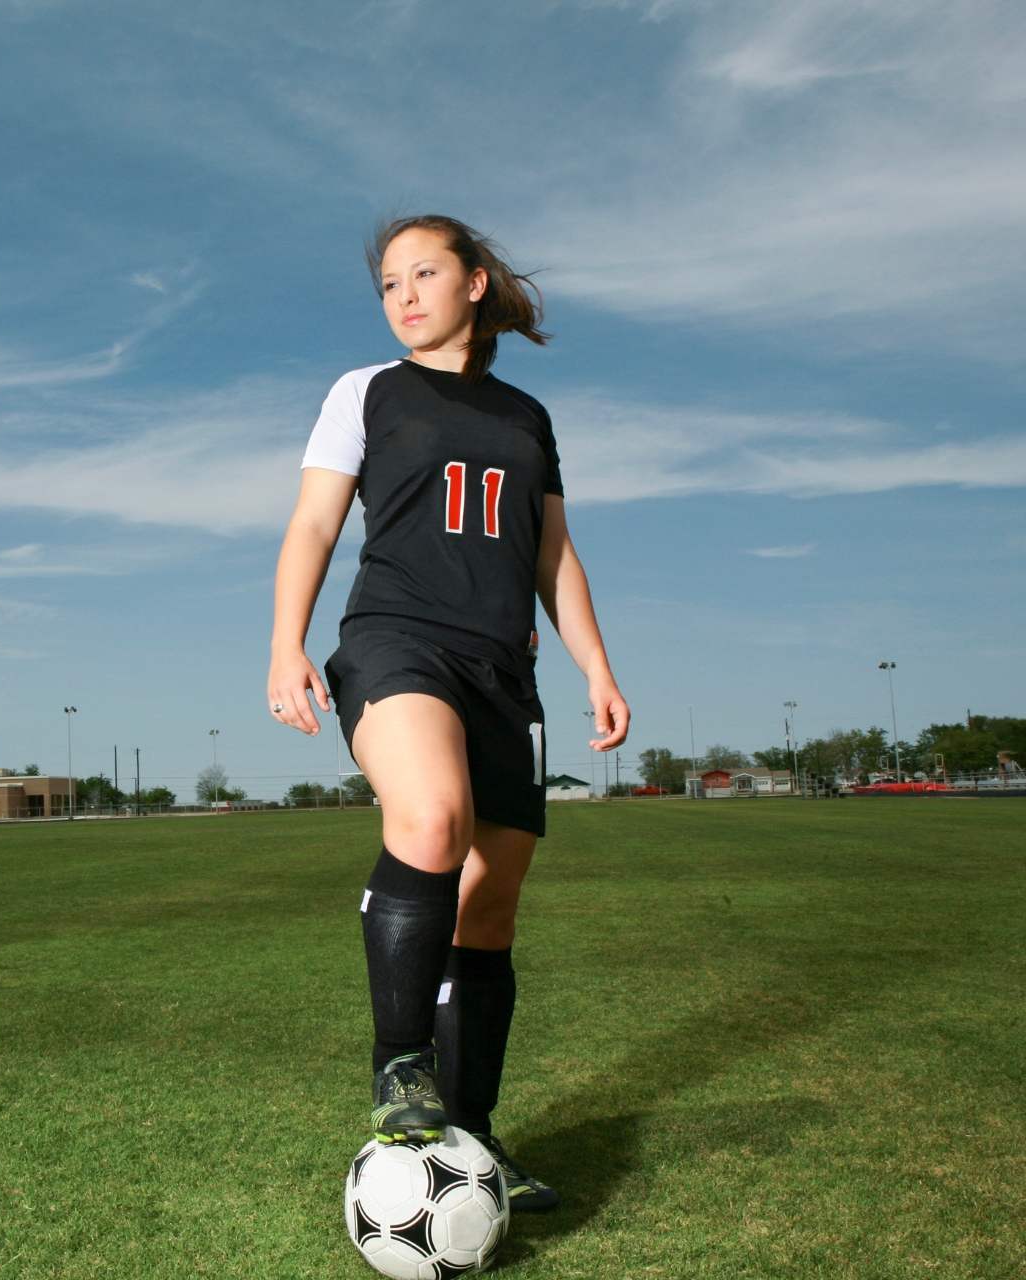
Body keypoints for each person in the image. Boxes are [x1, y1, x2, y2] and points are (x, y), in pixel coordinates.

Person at [267, 215, 630, 1214]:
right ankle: (399, 1066)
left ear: (475, 281)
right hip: (396, 636)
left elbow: (554, 555)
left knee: (491, 903)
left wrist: (595, 664)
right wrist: (284, 641)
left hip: (501, 669)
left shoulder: (526, 417)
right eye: (389, 282)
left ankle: (472, 1141)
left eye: (423, 272)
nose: (404, 294)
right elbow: (313, 519)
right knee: (430, 817)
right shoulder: (366, 393)